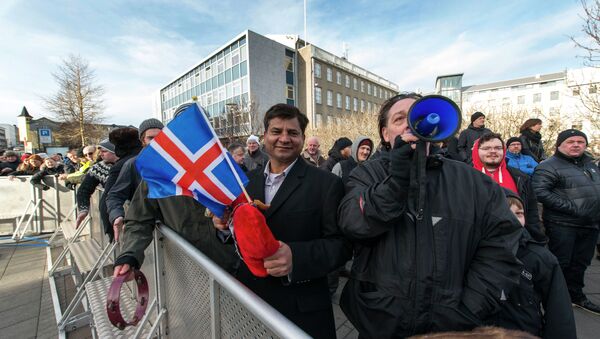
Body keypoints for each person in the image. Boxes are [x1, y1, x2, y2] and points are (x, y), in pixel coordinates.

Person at [337, 93, 522, 338]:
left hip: (452, 326)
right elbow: (354, 224)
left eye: (418, 116)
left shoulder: (474, 182)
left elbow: (501, 248)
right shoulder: (366, 175)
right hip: (380, 322)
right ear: (385, 133)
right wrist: (398, 178)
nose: (410, 124)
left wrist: (469, 309)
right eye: (400, 118)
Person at [213, 104, 351, 338]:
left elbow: (342, 246)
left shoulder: (327, 184)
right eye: (276, 131)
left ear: (302, 138)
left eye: (293, 133)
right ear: (265, 136)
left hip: (301, 308)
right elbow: (237, 236)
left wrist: (296, 257)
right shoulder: (245, 182)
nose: (284, 139)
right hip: (250, 300)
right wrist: (225, 227)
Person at [532, 129, 600, 314]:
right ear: (559, 145)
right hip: (563, 225)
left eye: (580, 141)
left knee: (581, 263)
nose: (576, 144)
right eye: (571, 141)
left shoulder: (591, 165)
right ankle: (554, 300)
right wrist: (572, 208)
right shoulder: (548, 166)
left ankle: (576, 296)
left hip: (590, 224)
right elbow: (540, 192)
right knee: (560, 264)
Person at [495, 189, 576, 339]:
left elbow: (559, 311)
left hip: (524, 333)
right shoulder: (470, 251)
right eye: (505, 211)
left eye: (519, 213)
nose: (513, 219)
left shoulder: (539, 257)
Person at [472, 133, 546, 242]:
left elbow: (531, 212)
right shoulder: (463, 178)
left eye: (498, 148)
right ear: (476, 151)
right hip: (477, 239)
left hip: (516, 238)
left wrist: (536, 239)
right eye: (486, 148)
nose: (493, 151)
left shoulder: (520, 177)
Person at [106, 118, 164, 241]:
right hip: (147, 233)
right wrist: (117, 215)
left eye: (160, 137)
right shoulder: (133, 164)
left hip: (174, 231)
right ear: (143, 140)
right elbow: (114, 195)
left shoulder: (176, 162)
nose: (156, 142)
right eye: (151, 138)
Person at [102, 127, 143, 241]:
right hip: (142, 228)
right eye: (150, 137)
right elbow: (112, 196)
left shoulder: (122, 165)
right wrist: (114, 219)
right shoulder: (128, 164)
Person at [75, 139, 118, 229]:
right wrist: (83, 209)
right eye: (100, 151)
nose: (100, 154)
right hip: (110, 214)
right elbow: (84, 189)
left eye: (104, 151)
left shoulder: (131, 164)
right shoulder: (99, 167)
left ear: (115, 151)